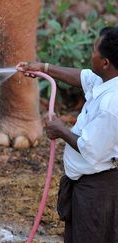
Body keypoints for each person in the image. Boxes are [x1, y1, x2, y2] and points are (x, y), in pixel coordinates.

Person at [16, 26, 118, 243]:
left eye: (93, 51)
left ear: (106, 63)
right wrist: (43, 67)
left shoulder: (112, 104)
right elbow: (82, 77)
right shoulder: (107, 80)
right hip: (85, 182)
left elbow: (92, 150)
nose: (91, 55)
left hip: (97, 189)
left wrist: (61, 130)